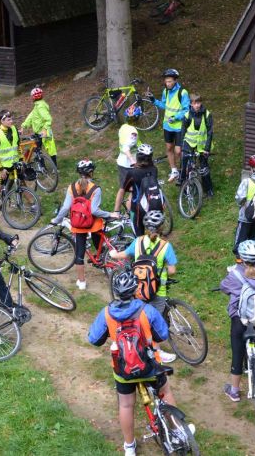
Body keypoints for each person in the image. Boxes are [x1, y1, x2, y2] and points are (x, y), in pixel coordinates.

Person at [88, 271, 184, 456]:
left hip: (123, 368)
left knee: (126, 405)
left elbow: (94, 339)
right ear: (136, 290)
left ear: (115, 291)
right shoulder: (146, 310)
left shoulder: (106, 313)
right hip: (150, 366)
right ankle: (177, 432)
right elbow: (162, 335)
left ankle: (129, 447)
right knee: (165, 392)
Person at [109, 210, 178, 364]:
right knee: (155, 320)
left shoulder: (138, 241)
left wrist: (113, 254)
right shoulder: (166, 246)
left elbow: (124, 255)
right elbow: (172, 270)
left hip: (139, 288)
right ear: (161, 227)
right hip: (158, 290)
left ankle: (138, 341)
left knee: (140, 315)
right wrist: (161, 272)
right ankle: (156, 351)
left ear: (145, 227)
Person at [51, 159, 119, 290]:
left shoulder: (71, 187)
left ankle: (81, 282)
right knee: (99, 243)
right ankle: (103, 261)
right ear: (91, 173)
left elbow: (65, 208)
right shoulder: (95, 189)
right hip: (94, 224)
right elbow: (95, 211)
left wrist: (57, 219)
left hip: (79, 225)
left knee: (79, 254)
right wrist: (110, 214)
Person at [221, 240, 255, 402]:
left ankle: (234, 391)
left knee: (237, 352)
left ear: (241, 257)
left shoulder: (234, 274)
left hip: (240, 319)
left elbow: (224, 287)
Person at [151, 68, 190, 182]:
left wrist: (176, 117)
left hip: (179, 127)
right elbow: (164, 105)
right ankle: (174, 170)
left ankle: (183, 170)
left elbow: (186, 110)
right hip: (167, 126)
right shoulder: (165, 91)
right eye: (166, 81)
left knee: (178, 151)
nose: (167, 83)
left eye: (170, 81)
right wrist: (153, 100)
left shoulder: (183, 92)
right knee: (169, 148)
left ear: (175, 81)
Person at [113, 144, 158, 236]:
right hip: (152, 206)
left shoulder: (132, 173)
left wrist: (116, 211)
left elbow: (124, 189)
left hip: (137, 209)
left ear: (138, 157)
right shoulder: (154, 170)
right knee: (153, 236)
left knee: (139, 237)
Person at [180, 94, 214, 197]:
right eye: (194, 103)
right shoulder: (187, 115)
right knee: (185, 163)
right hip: (189, 143)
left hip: (202, 145)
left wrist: (207, 148)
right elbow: (183, 131)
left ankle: (208, 189)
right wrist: (182, 145)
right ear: (191, 104)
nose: (197, 105)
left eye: (198, 103)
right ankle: (183, 183)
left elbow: (210, 132)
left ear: (201, 103)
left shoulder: (207, 115)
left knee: (204, 167)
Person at [20, 86, 58, 167]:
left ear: (33, 97)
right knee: (39, 150)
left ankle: (53, 167)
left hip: (44, 132)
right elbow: (31, 117)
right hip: (39, 132)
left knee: (49, 149)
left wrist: (44, 129)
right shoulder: (37, 106)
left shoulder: (40, 106)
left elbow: (48, 119)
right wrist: (23, 126)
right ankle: (43, 168)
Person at [0, 110, 22, 196]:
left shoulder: (14, 129)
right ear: (2, 121)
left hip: (15, 164)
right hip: (3, 167)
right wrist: (1, 169)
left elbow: (18, 146)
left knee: (22, 185)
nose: (11, 121)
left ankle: (33, 202)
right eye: (8, 120)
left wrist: (21, 160)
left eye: (11, 119)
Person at [116, 105, 142, 191]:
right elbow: (126, 147)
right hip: (129, 164)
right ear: (137, 118)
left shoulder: (123, 127)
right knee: (135, 188)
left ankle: (119, 202)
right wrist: (132, 160)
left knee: (122, 189)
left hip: (121, 161)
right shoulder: (133, 132)